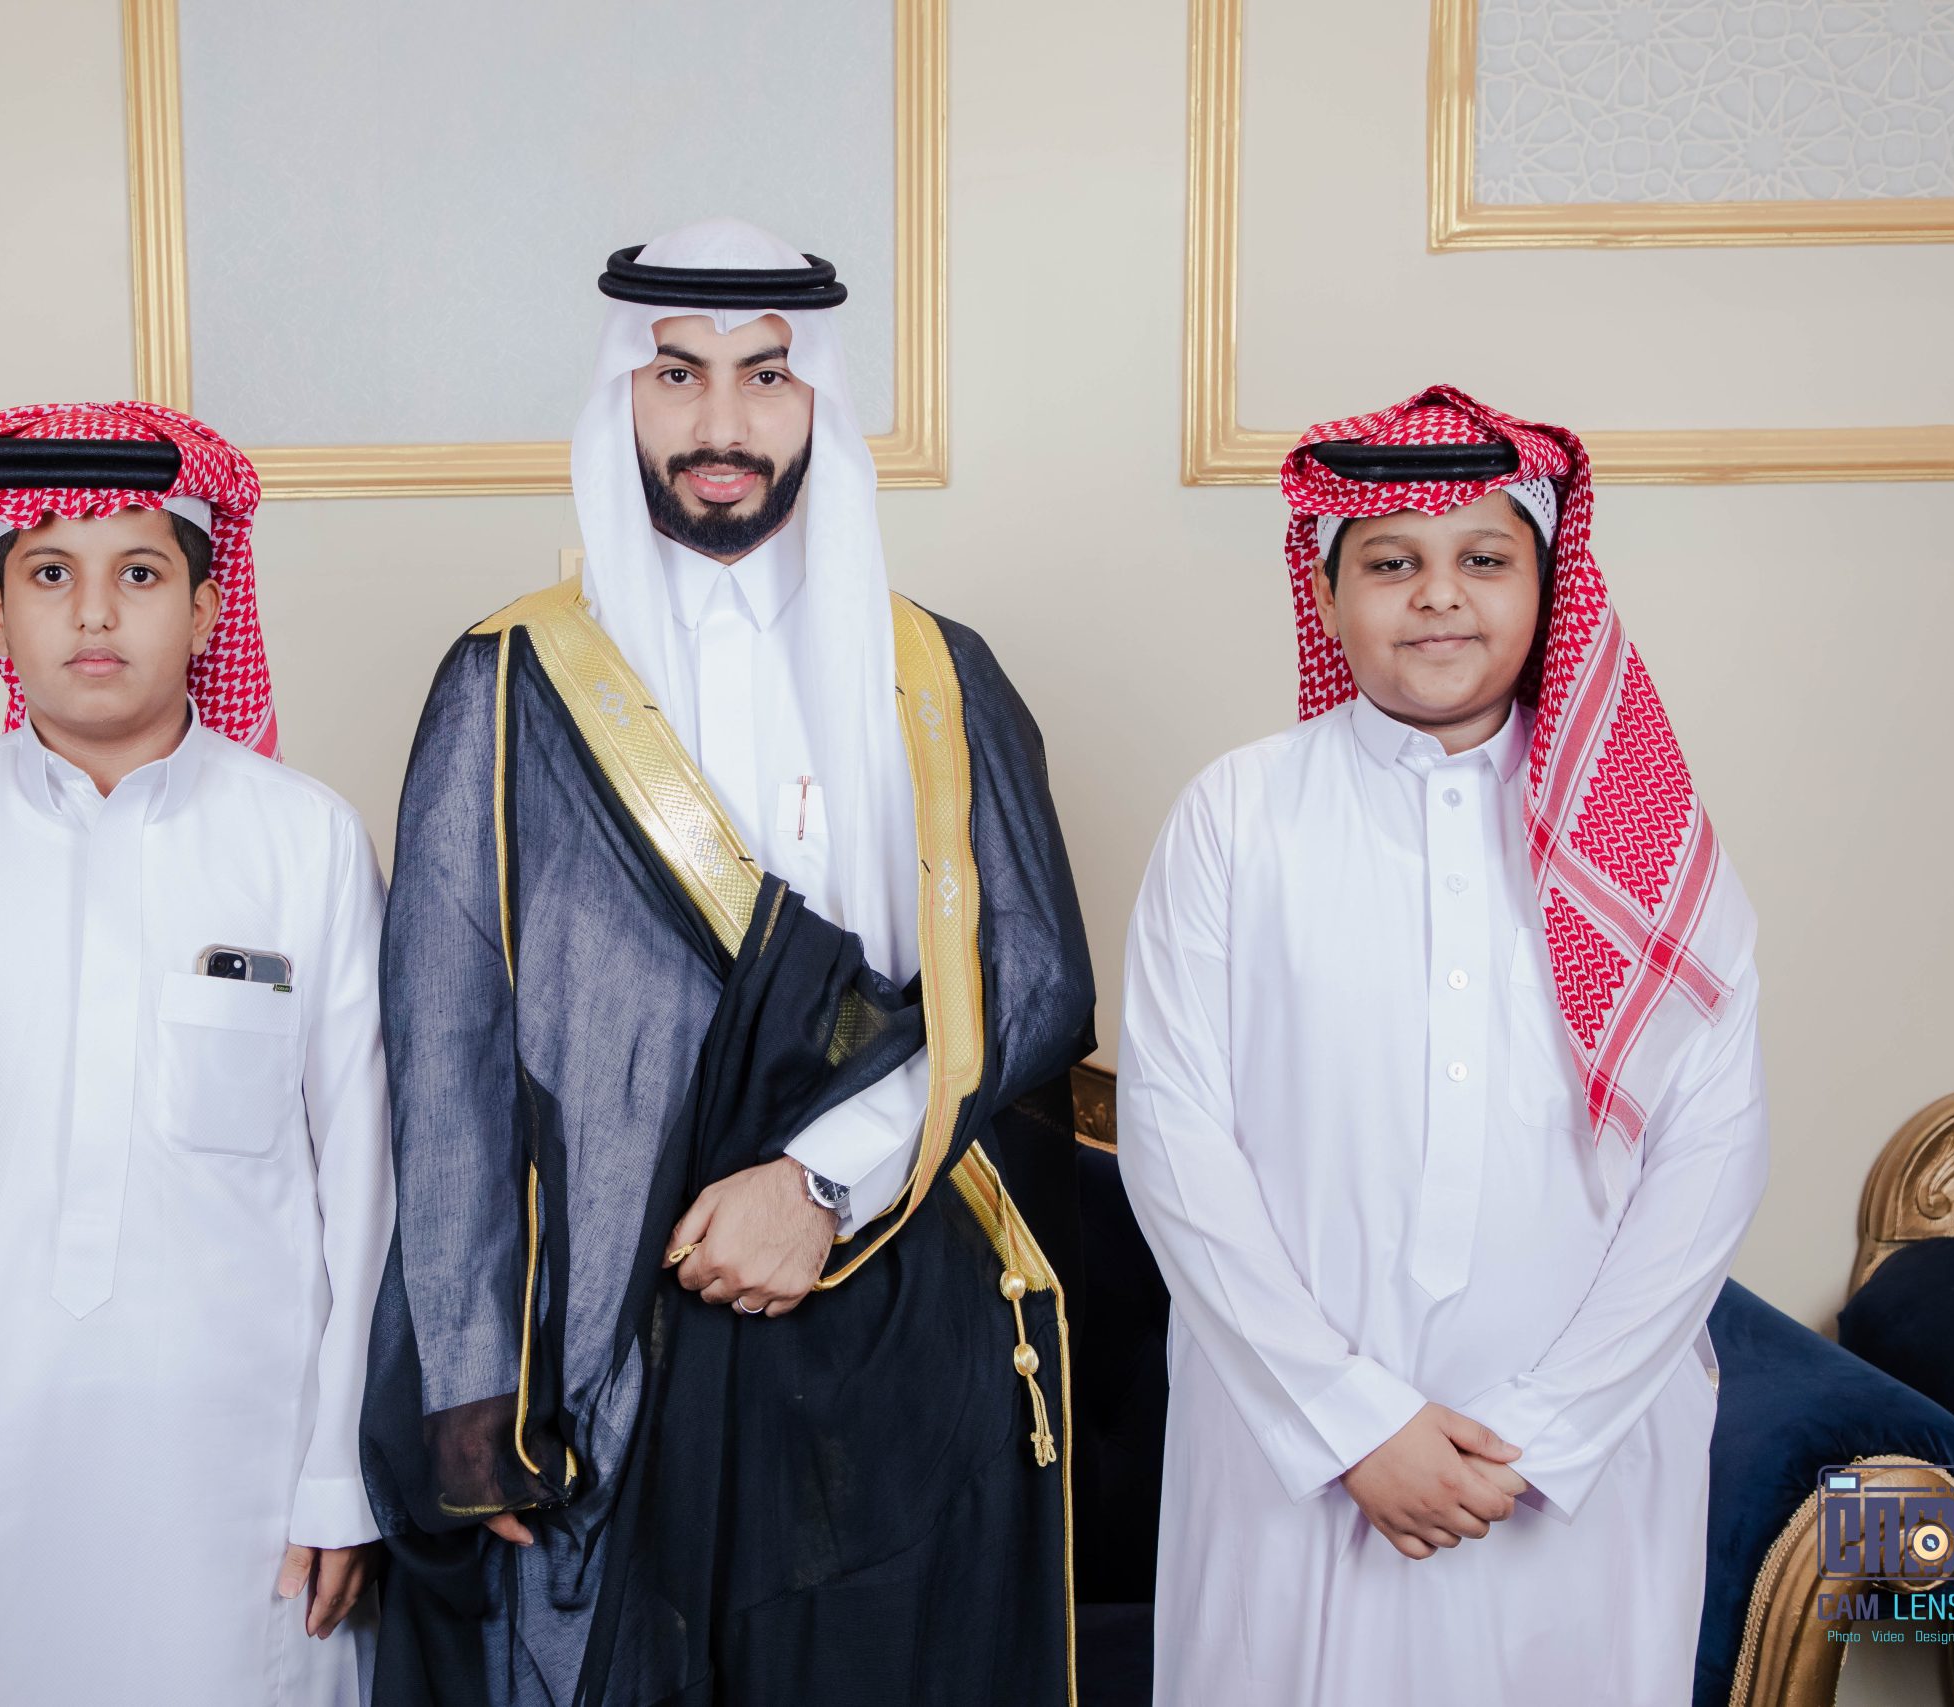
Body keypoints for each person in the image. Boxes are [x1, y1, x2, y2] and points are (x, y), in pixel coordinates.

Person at [360, 220, 1095, 1706]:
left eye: (766, 376)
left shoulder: (937, 676)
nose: (720, 424)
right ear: (617, 398)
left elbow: (1027, 985)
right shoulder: (510, 681)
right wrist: (476, 1401)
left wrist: (817, 1181)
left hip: (889, 1306)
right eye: (675, 375)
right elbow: (446, 1055)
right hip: (601, 1346)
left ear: (820, 397)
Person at [1117, 386, 1768, 1704]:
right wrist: (1353, 1425)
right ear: (1326, 591)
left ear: (1547, 584)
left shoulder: (1643, 840)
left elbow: (1713, 1154)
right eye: (1390, 563)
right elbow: (1176, 1140)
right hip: (1295, 1444)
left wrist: (1544, 1431)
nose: (1438, 597)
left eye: (1483, 558)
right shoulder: (1239, 815)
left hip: (1574, 1459)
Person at [0, 402, 395, 1705]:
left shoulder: (307, 844)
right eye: (50, 573)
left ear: (210, 610)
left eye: (142, 574)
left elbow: (365, 1190)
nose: (95, 613)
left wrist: (343, 1472)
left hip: (242, 1471)